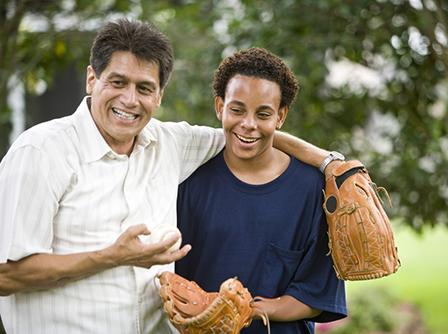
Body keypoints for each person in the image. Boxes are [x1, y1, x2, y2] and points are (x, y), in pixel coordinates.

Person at [0, 20, 342, 333]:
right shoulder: (41, 152)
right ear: (92, 78)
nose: (129, 100)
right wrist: (112, 257)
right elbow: (5, 275)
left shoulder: (170, 143)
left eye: (145, 88)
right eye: (118, 82)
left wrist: (330, 164)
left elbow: (246, 130)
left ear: (160, 95)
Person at [175, 47, 347, 333]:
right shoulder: (190, 182)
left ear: (280, 116)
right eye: (237, 109)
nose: (248, 124)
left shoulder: (312, 190)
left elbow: (317, 294)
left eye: (263, 113)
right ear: (220, 107)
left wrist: (247, 310)